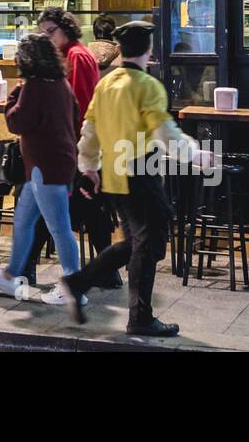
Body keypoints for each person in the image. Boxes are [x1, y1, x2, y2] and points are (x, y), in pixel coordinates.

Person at [61, 20, 208, 337]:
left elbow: (90, 131)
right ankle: (139, 317)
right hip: (140, 173)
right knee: (149, 241)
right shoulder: (147, 86)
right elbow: (164, 131)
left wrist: (88, 167)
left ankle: (79, 283)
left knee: (138, 242)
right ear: (149, 49)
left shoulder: (107, 83)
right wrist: (195, 154)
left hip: (113, 176)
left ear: (120, 49)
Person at [0, 34, 83, 307]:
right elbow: (75, 118)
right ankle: (12, 274)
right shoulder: (62, 84)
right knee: (24, 221)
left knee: (59, 227)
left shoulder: (34, 87)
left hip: (44, 168)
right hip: (56, 163)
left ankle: (74, 285)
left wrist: (14, 93)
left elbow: (17, 121)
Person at [25, 6, 116, 287]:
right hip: (80, 147)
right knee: (89, 210)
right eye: (43, 33)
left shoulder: (77, 56)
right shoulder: (70, 55)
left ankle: (26, 267)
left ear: (66, 27)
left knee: (45, 207)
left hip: (74, 146)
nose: (48, 38)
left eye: (51, 31)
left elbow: (76, 105)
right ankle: (108, 270)